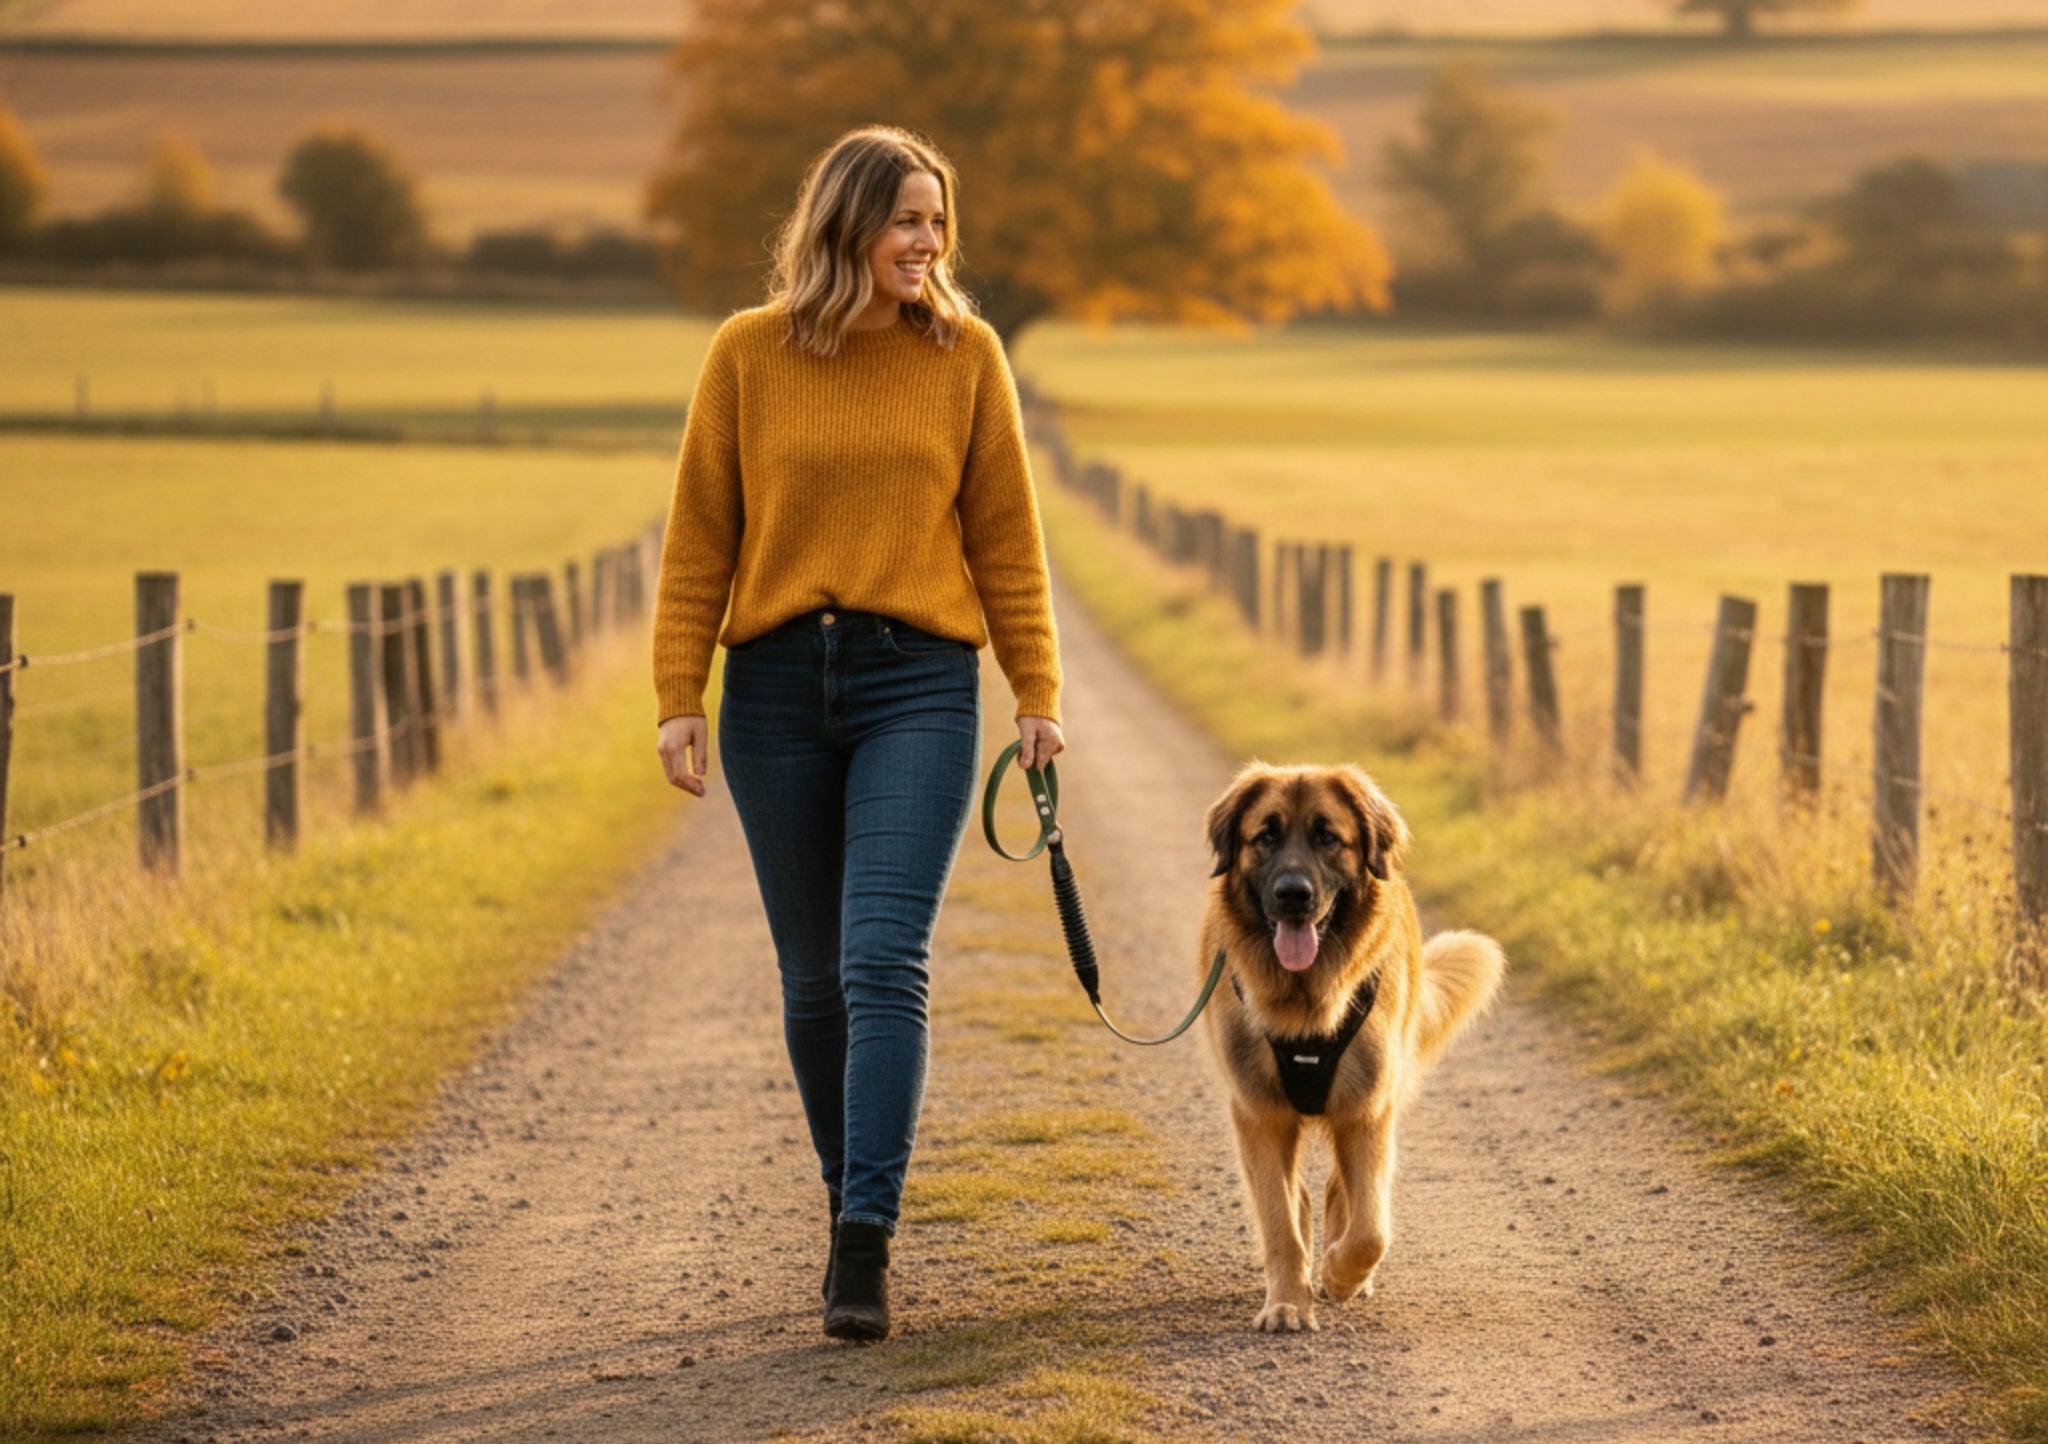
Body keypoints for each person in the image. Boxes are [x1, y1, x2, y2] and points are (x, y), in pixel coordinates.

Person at [651, 126, 1064, 1342]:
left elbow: (1005, 538)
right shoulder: (746, 353)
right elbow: (697, 539)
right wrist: (679, 693)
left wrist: (1035, 691)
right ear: (843, 227)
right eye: (905, 221)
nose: (928, 243)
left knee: (883, 955)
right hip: (774, 688)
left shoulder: (967, 356)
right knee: (813, 978)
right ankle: (849, 1200)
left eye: (937, 221)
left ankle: (862, 1243)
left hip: (916, 685)